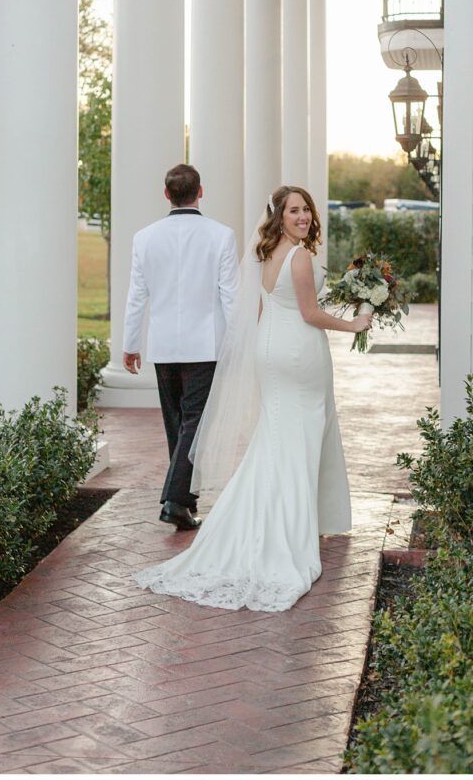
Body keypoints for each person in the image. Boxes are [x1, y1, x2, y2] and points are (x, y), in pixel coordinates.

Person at [132, 185, 372, 612]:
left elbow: (265, 307)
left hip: (271, 348)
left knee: (277, 436)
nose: (302, 217)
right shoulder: (298, 256)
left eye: (306, 210)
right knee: (300, 434)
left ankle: (276, 517)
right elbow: (310, 313)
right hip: (297, 351)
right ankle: (292, 528)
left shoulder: (268, 253)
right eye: (294, 211)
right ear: (279, 216)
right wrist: (356, 324)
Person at [122, 164, 239, 530]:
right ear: (200, 191)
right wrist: (237, 343)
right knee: (192, 423)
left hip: (162, 347)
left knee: (178, 422)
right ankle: (176, 500)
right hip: (204, 346)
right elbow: (231, 297)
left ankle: (182, 502)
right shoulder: (221, 236)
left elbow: (136, 296)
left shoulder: (144, 237)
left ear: (166, 194)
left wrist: (130, 344)